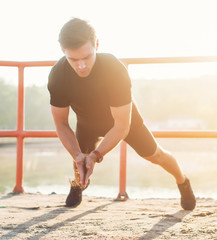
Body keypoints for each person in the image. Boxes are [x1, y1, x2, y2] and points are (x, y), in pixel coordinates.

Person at [48, 18, 196, 210]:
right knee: (78, 158)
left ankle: (183, 181)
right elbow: (61, 124)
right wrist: (79, 155)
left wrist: (96, 155)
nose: (81, 65)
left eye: (86, 57)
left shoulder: (114, 69)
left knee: (156, 155)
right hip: (87, 123)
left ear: (97, 45)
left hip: (126, 122)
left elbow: (121, 126)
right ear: (63, 53)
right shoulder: (58, 75)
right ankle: (78, 184)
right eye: (74, 60)